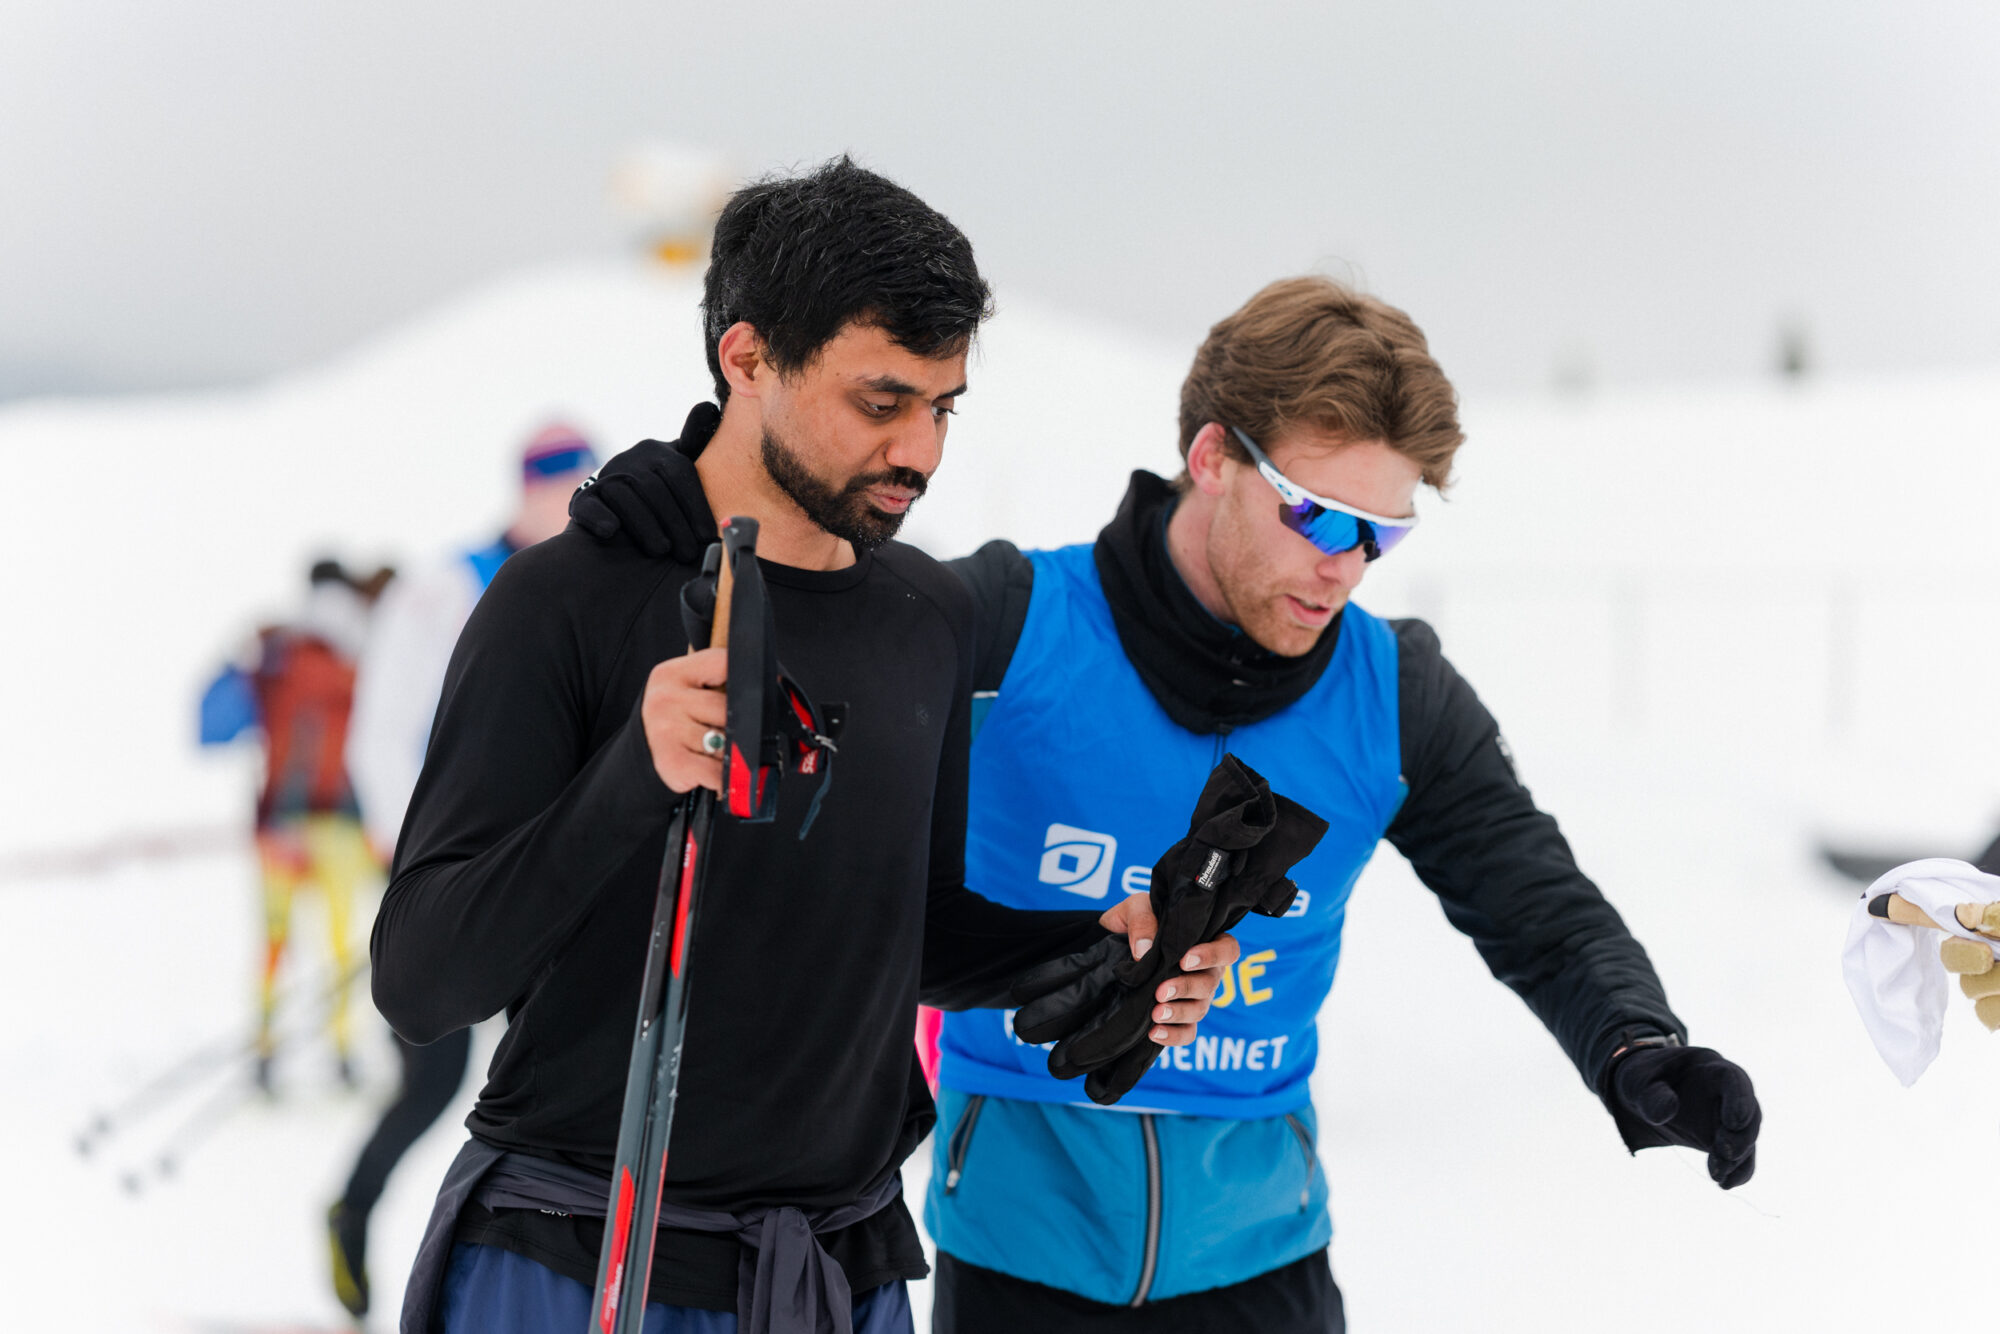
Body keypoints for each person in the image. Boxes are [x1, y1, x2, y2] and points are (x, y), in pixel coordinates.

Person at [370, 156, 1239, 1334]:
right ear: (746, 358)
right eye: (879, 402)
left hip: (838, 1269)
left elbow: (907, 925)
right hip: (584, 1259)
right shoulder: (566, 602)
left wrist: (1097, 947)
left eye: (942, 406)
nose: (919, 451)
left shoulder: (921, 618)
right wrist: (635, 770)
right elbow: (424, 979)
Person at [913, 277, 1764, 1332]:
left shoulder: (1390, 695)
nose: (1343, 566)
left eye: (1380, 534)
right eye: (1315, 512)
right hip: (1014, 1255)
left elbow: (1539, 909)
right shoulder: (1008, 627)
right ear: (1212, 455)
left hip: (1262, 1257)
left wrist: (1635, 1045)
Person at [325, 422, 599, 1318]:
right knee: (433, 1083)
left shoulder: (598, 582)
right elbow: (383, 736)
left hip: (553, 884)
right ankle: (353, 1217)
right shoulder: (445, 590)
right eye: (556, 482)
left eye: (579, 480)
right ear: (522, 490)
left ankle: (519, 1271)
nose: (568, 498)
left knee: (542, 1083)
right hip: (450, 880)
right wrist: (430, 861)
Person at [199, 558, 393, 1093]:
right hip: (342, 825)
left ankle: (267, 1051)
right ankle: (341, 1052)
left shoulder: (278, 655)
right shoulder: (361, 650)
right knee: (339, 943)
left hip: (280, 825)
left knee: (277, 942)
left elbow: (214, 727)